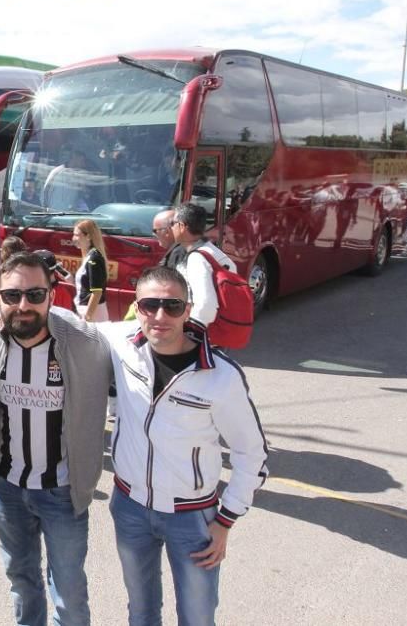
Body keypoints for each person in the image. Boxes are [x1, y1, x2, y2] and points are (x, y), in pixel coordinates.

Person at [104, 266, 268, 625]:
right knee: (141, 611)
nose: (160, 316)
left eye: (173, 306)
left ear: (188, 309)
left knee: (197, 617)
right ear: (137, 307)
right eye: (150, 305)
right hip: (129, 507)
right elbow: (63, 324)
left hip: (192, 516)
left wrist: (226, 520)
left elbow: (251, 454)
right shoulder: (122, 344)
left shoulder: (221, 376)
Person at [0, 251, 111, 626]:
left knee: (68, 594)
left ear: (52, 294)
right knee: (22, 582)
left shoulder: (85, 343)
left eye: (35, 295)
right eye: (12, 295)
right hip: (6, 488)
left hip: (62, 493)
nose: (24, 305)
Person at [172, 202, 236, 328]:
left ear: (181, 226)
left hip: (205, 333)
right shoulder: (212, 251)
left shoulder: (197, 258)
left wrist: (192, 333)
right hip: (219, 326)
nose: (171, 228)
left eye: (172, 224)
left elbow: (206, 304)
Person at [70, 219, 109, 322]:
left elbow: (97, 292)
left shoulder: (94, 258)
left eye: (77, 235)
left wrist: (87, 317)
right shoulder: (90, 256)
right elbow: (86, 286)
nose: (73, 238)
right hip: (86, 310)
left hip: (92, 314)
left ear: (88, 236)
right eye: (73, 235)